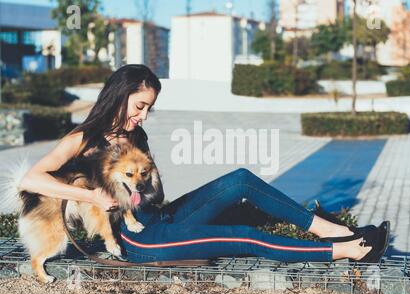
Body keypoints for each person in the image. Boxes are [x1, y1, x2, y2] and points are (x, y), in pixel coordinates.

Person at [19, 64, 390, 265]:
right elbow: (33, 178)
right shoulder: (84, 138)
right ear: (120, 97)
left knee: (241, 180)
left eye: (149, 108)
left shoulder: (137, 138)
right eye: (139, 107)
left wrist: (152, 179)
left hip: (160, 217)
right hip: (137, 239)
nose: (144, 116)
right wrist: (94, 198)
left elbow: (156, 195)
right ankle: (344, 249)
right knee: (245, 238)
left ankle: (327, 229)